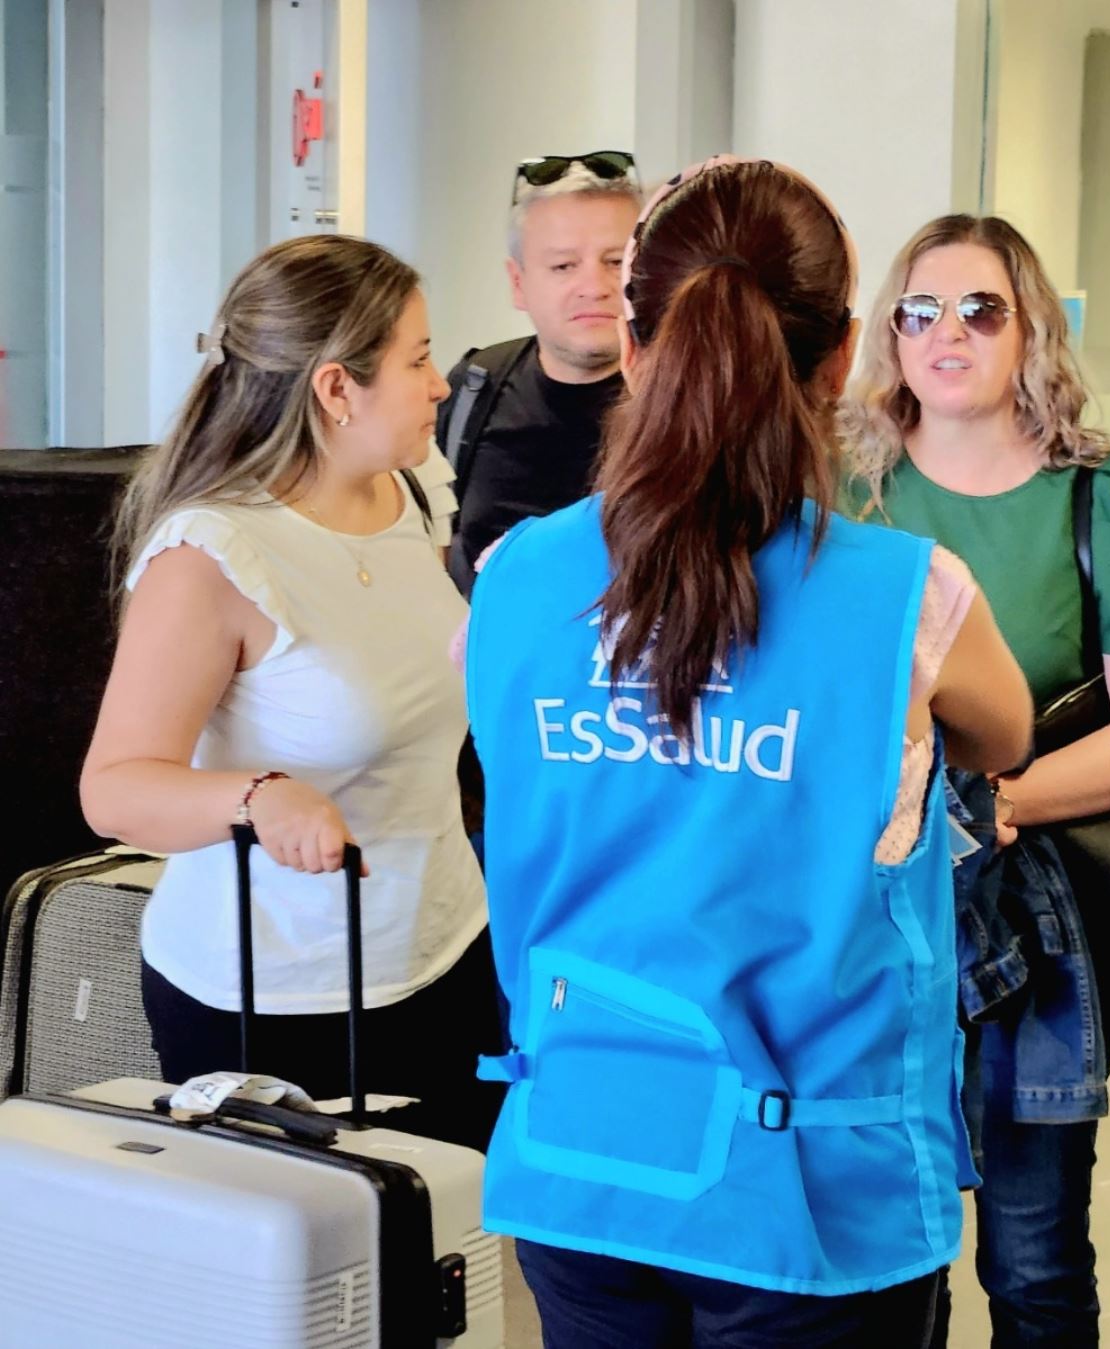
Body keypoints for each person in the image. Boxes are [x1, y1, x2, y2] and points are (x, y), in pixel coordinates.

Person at [464, 157, 1033, 1349]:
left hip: (584, 1145)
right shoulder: (906, 599)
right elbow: (1008, 730)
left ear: (633, 343)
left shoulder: (516, 576)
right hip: (812, 1185)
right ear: (838, 364)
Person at [842, 215, 1110, 1348]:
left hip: (1049, 915)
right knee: (894, 1238)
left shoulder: (1104, 498)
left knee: (1033, 1251)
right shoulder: (846, 494)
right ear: (887, 333)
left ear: (1031, 329)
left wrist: (1008, 802)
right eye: (920, 310)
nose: (948, 333)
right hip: (875, 914)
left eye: (981, 309)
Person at [80, 234, 500, 1151]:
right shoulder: (211, 554)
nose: (441, 385)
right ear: (337, 388)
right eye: (419, 360)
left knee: (441, 1267)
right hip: (273, 1000)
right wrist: (257, 797)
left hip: (446, 952)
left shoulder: (414, 492)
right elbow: (113, 790)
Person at [440, 151, 642, 595]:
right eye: (564, 266)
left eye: (615, 261)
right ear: (518, 283)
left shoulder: (688, 400)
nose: (594, 287)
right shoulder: (474, 387)